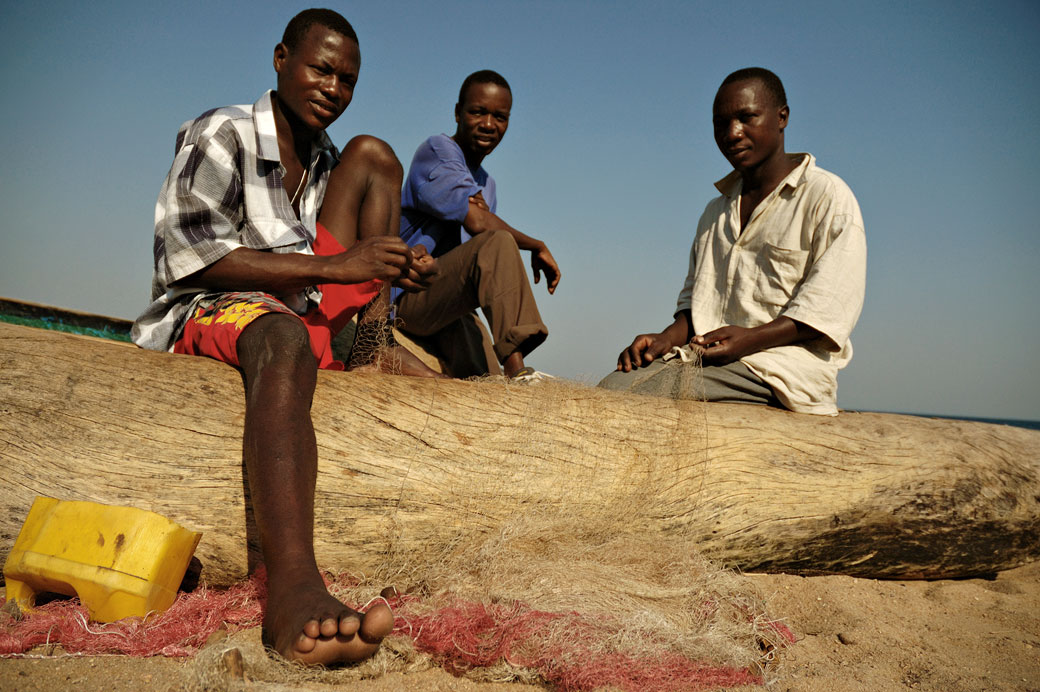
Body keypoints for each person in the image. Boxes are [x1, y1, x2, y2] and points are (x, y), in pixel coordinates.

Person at [132, 9, 440, 665]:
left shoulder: (327, 158)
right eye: (320, 68)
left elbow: (330, 262)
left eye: (347, 79)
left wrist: (387, 262)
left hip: (302, 309)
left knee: (377, 155)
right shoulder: (224, 132)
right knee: (282, 337)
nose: (333, 87)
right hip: (218, 307)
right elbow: (186, 259)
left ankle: (370, 341)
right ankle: (293, 588)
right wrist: (335, 267)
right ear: (280, 59)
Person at [601, 68, 866, 415]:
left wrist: (749, 340)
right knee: (613, 385)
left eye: (747, 118)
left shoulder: (827, 197)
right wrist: (665, 338)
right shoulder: (715, 212)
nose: (732, 133)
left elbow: (827, 312)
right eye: (720, 123)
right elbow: (697, 308)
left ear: (782, 117)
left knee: (629, 394)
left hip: (781, 370)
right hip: (712, 363)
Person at [393, 70, 562, 379]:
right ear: (458, 113)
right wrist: (536, 245)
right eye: (477, 112)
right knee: (498, 243)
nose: (488, 124)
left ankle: (505, 380)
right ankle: (518, 372)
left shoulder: (487, 185)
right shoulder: (437, 151)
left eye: (500, 117)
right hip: (407, 294)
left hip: (449, 302)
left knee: (486, 379)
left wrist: (482, 217)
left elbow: (476, 250)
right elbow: (480, 223)